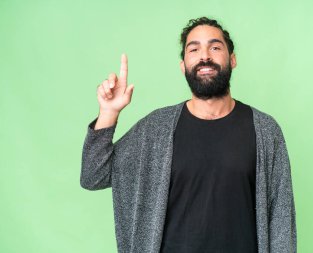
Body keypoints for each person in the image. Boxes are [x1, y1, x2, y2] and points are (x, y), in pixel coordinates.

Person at [81, 17, 297, 253]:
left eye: (215, 47)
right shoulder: (156, 129)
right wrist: (109, 113)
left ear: (232, 60)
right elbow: (94, 175)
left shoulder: (265, 130)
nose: (205, 56)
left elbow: (281, 217)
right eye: (194, 49)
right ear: (183, 65)